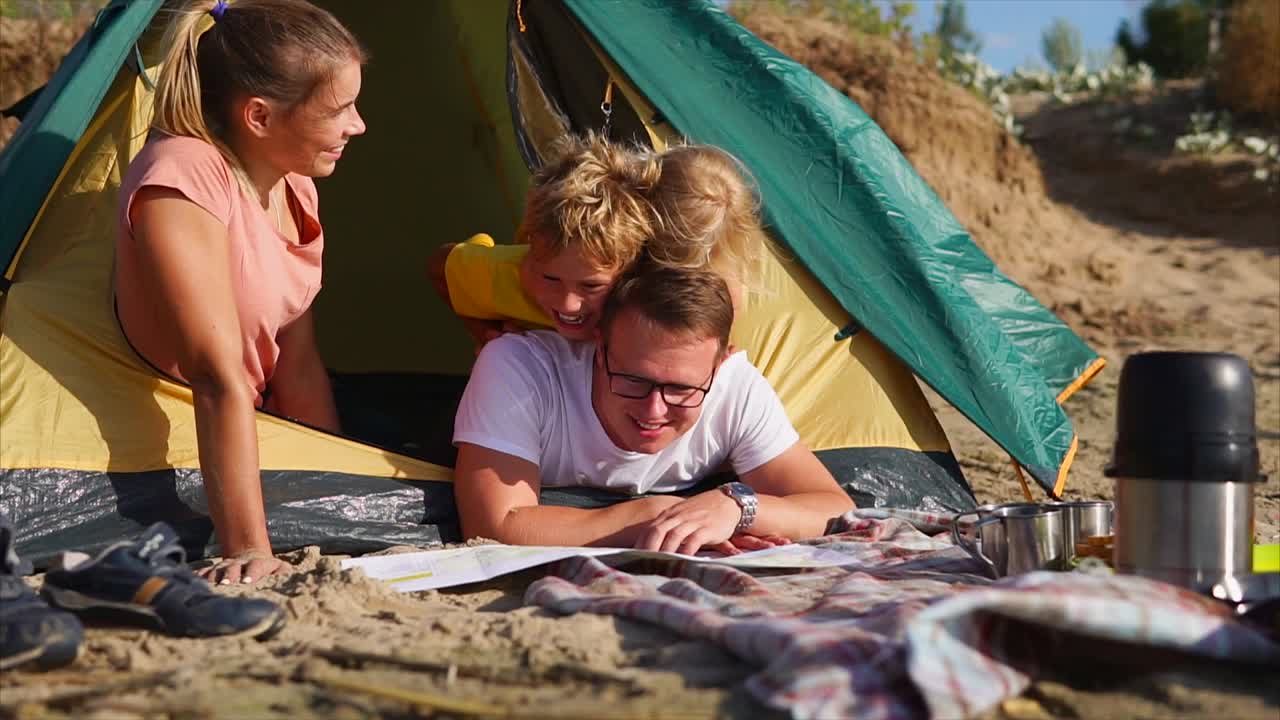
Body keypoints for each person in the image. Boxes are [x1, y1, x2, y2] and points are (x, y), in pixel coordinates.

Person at [114, 0, 366, 585]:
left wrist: (340, 483)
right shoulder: (182, 178)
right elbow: (214, 376)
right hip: (172, 448)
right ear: (258, 116)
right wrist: (249, 547)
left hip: (250, 422)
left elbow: (297, 365)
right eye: (339, 110)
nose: (358, 125)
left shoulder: (294, 183)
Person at [452, 266, 855, 553]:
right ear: (598, 349)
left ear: (718, 367)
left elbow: (834, 507)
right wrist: (660, 514)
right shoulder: (521, 368)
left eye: (681, 389)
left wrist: (737, 507)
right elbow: (494, 526)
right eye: (633, 380)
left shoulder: (734, 387)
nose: (653, 409)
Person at [428, 133, 660, 348]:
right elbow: (439, 266)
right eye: (550, 279)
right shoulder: (510, 277)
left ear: (630, 272)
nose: (568, 304)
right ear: (530, 259)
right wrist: (486, 334)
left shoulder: (650, 300)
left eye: (591, 286)